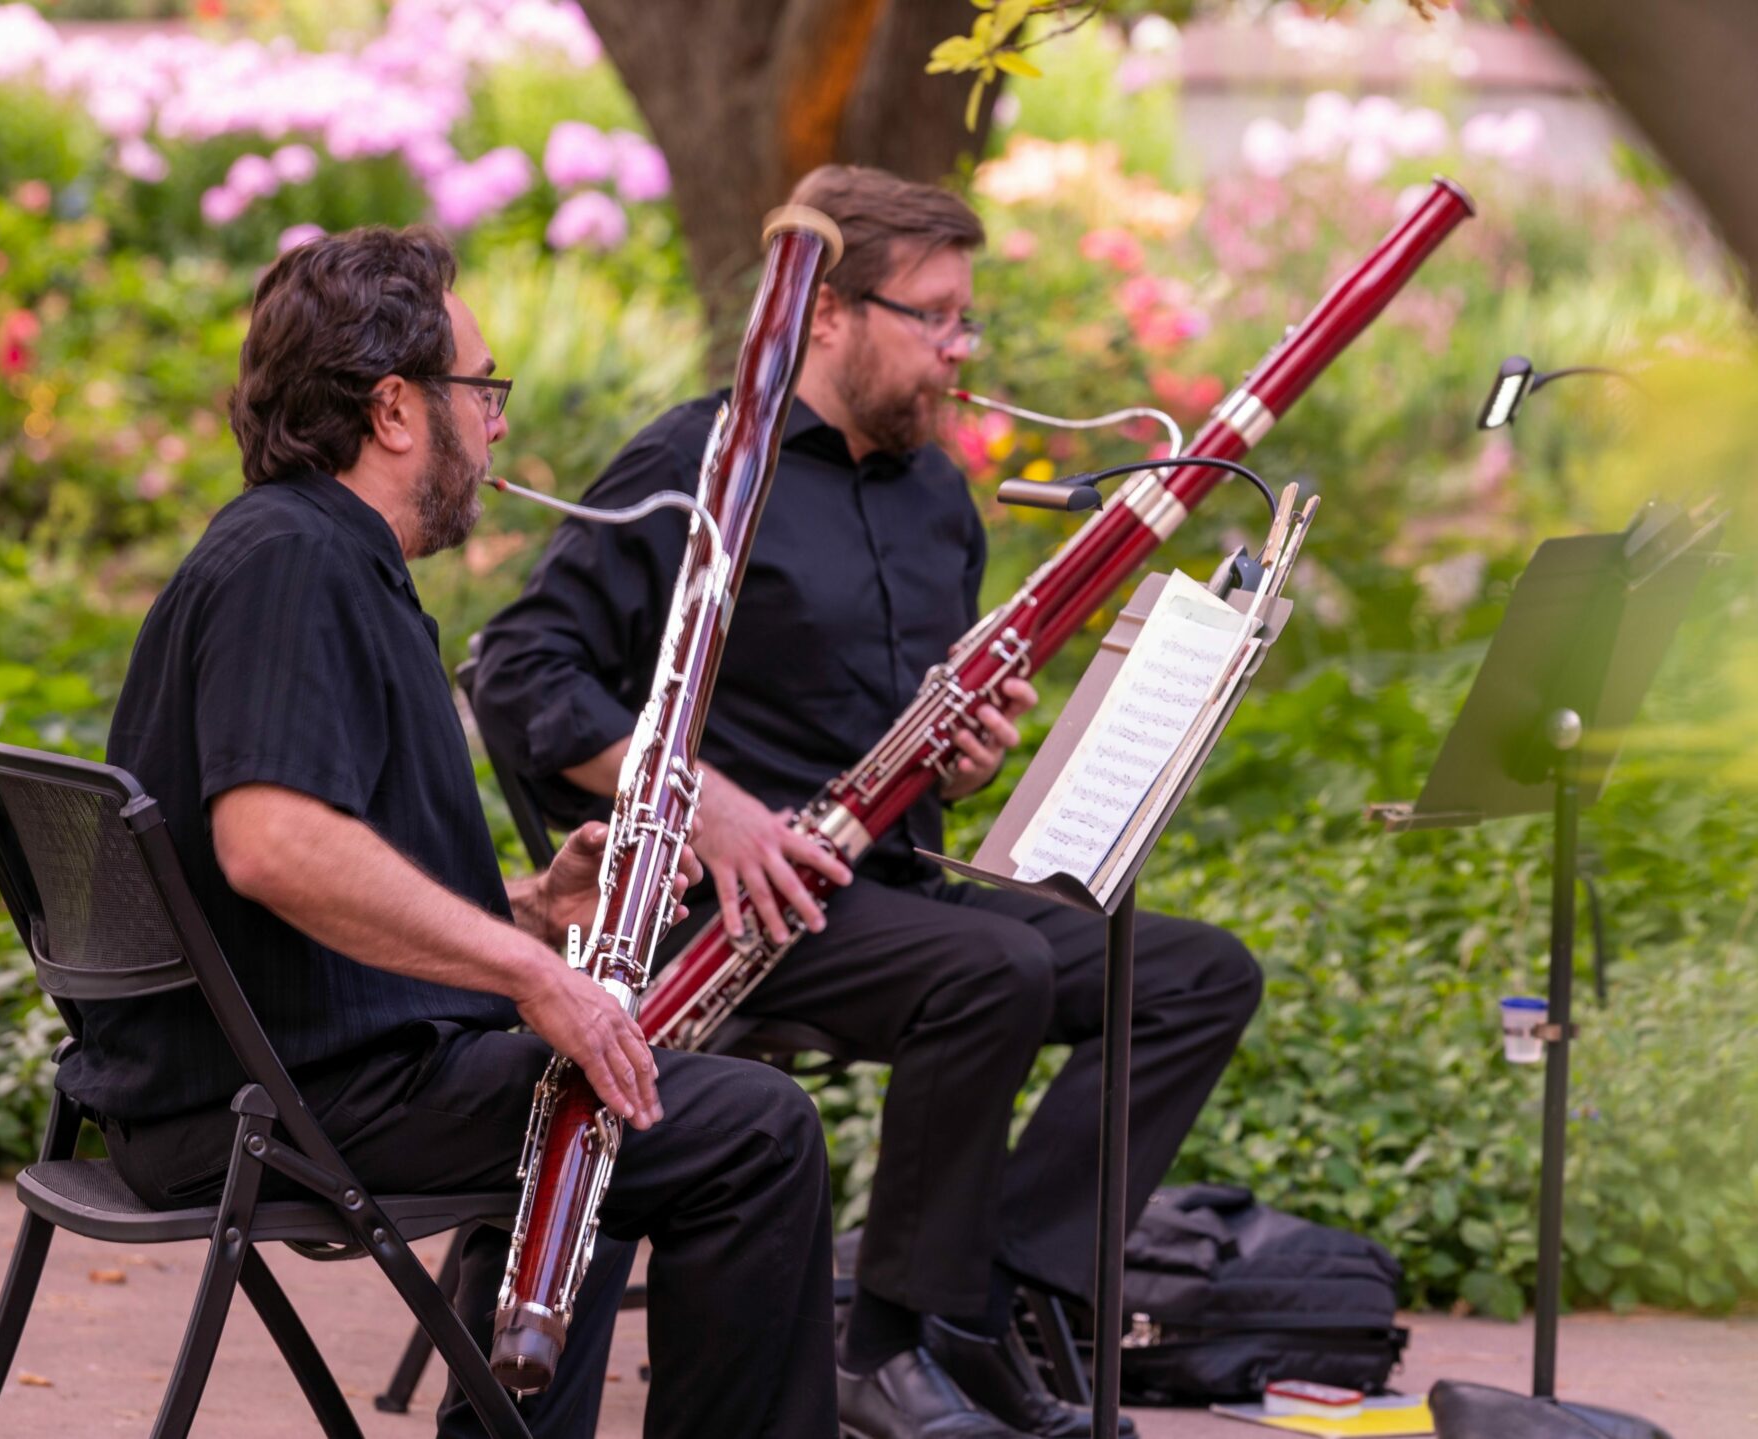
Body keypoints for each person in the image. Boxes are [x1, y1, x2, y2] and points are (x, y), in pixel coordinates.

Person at [472, 167, 1265, 1439]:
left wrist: (967, 763)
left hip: (880, 892)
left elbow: (920, 729)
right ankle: (891, 1339)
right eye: (935, 317)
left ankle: (998, 1298)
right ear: (828, 312)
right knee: (991, 967)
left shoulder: (937, 494)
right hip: (726, 911)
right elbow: (521, 668)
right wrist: (708, 808)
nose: (961, 351)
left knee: (1190, 975)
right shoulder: (701, 461)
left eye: (966, 321)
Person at [65, 225, 836, 1439]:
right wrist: (532, 973)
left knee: (628, 1101)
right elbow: (269, 842)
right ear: (392, 409)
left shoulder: (310, 553)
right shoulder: (293, 564)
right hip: (269, 1104)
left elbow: (304, 874)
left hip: (263, 1071)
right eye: (482, 389)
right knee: (751, 1130)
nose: (499, 424)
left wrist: (530, 909)